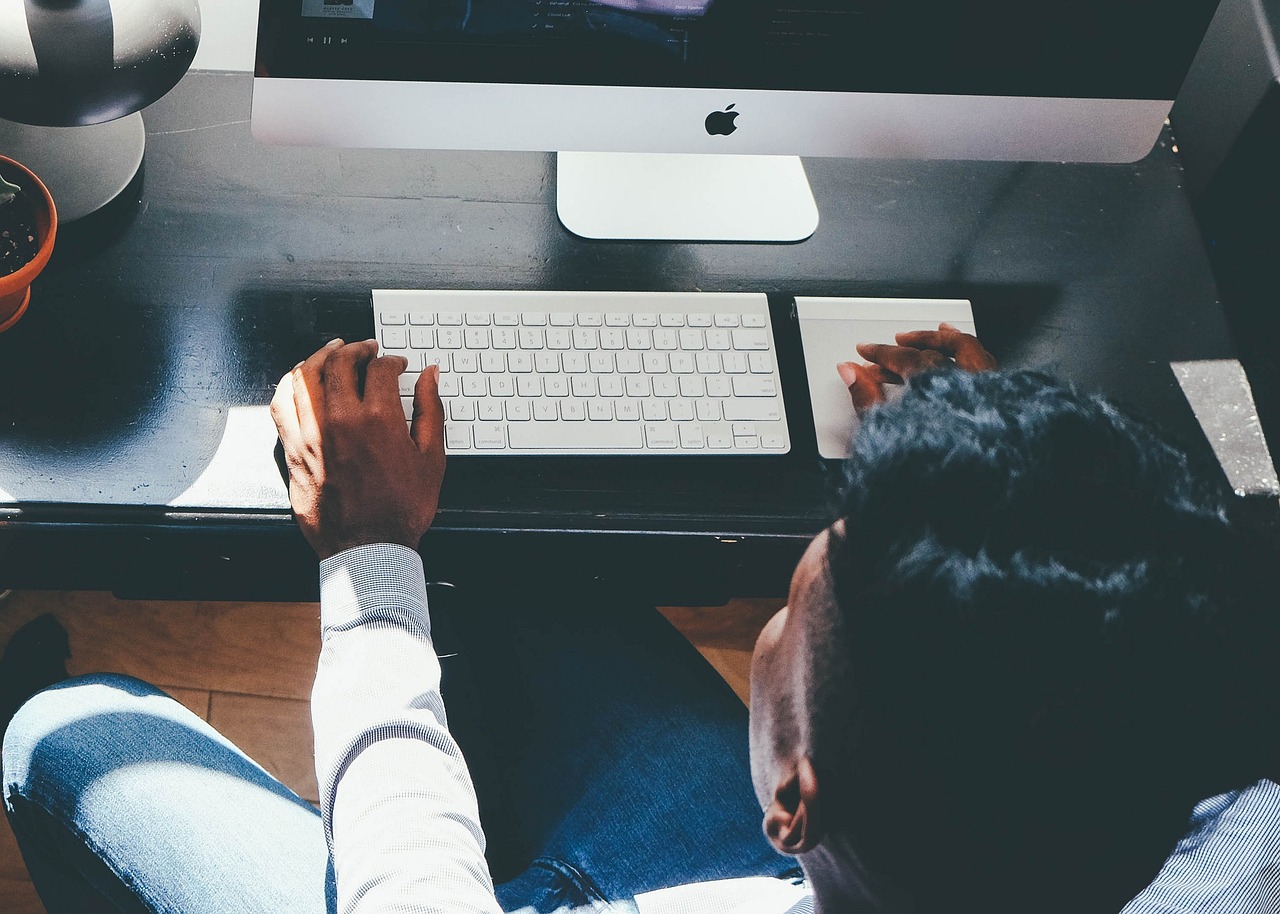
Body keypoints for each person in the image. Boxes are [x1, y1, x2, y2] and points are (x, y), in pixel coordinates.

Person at [4, 327, 1279, 914]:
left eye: (799, 598)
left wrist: (369, 562)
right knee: (528, 563)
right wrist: (997, 476)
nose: (790, 596)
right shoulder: (1229, 836)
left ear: (792, 793)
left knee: (65, 736)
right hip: (754, 876)